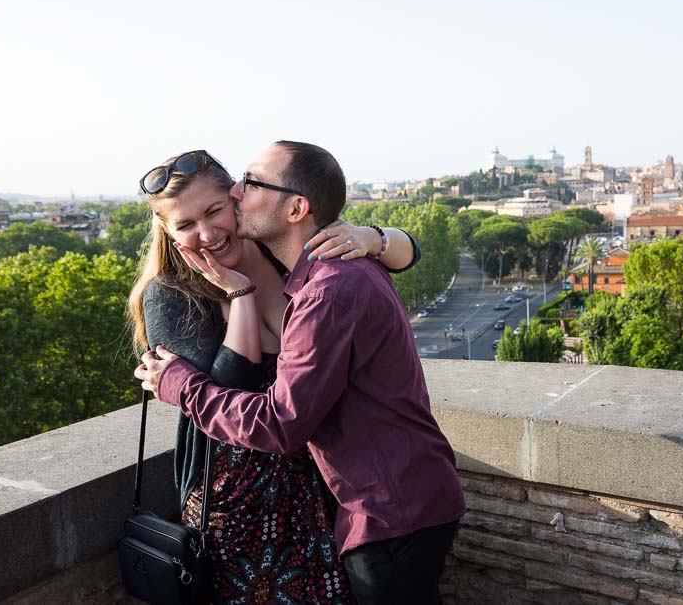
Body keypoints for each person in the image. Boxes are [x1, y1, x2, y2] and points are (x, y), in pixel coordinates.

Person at [135, 141, 466, 605]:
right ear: (168, 234)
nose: (207, 232)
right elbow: (231, 388)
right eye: (186, 225)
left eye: (218, 207)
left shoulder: (301, 261)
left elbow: (278, 419)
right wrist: (242, 297)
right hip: (240, 499)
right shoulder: (174, 292)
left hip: (331, 494)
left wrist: (370, 236)